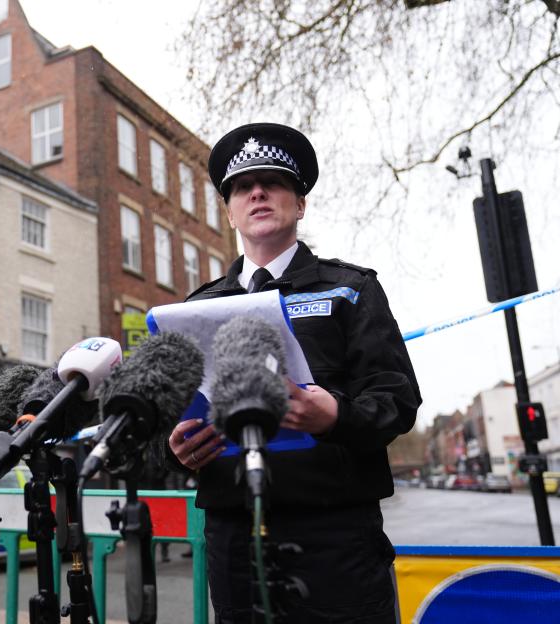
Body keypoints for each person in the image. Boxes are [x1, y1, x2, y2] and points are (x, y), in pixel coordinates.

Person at [165, 123, 421, 623]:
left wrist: (336, 418)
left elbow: (396, 401)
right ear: (231, 210)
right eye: (243, 186)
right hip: (233, 538)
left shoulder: (351, 290)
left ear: (299, 204)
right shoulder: (195, 309)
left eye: (273, 181)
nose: (257, 192)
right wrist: (176, 450)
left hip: (336, 539)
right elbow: (174, 417)